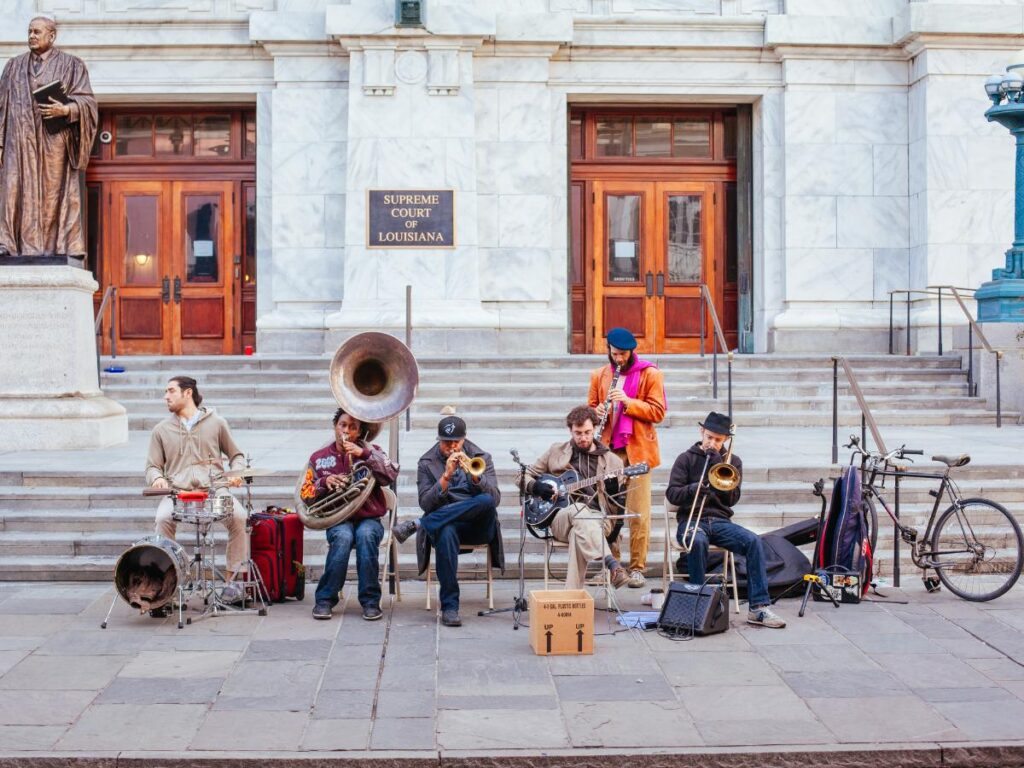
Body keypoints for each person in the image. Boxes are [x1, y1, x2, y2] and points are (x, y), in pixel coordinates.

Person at [665, 411, 786, 629]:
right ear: (702, 431)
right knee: (698, 541)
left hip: (720, 522)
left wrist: (718, 464)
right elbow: (672, 494)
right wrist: (694, 488)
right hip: (692, 520)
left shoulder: (732, 462)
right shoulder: (686, 458)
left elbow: (731, 500)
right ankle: (697, 602)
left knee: (753, 541)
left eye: (718, 440)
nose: (712, 442)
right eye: (709, 437)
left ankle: (758, 607)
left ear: (726, 440)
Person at [0, 16, 98, 262]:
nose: (32, 36)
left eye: (37, 32)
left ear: (51, 36)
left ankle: (58, 247)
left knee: (55, 193)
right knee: (12, 189)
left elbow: (88, 103)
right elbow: (1, 106)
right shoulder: (13, 66)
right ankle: (8, 244)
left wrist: (67, 110)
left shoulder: (72, 65)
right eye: (29, 31)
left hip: (53, 143)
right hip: (18, 141)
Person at [392, 412, 503, 627]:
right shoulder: (427, 462)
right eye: (446, 442)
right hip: (447, 524)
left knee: (486, 500)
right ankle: (450, 607)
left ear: (464, 439)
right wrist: (445, 477)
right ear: (438, 440)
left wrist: (476, 478)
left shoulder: (482, 457)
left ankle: (421, 523)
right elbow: (425, 503)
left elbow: (495, 498)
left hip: (479, 524)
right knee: (445, 532)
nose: (452, 447)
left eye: (456, 442)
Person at [145, 376, 248, 606]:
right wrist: (158, 478)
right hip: (178, 492)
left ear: (188, 393)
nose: (166, 396)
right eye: (165, 392)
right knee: (162, 519)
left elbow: (237, 456)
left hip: (215, 489)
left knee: (239, 517)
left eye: (171, 391)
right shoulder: (161, 430)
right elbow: (152, 465)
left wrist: (237, 473)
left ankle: (231, 584)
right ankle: (170, 585)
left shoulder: (217, 422)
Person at [302, 408, 398, 622]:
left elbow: (390, 474)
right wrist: (323, 483)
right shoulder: (319, 458)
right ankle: (325, 599)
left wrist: (363, 454)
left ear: (359, 432)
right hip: (338, 518)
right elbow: (306, 494)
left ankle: (371, 601)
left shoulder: (373, 451)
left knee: (365, 536)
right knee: (343, 538)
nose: (346, 431)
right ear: (335, 427)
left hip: (369, 518)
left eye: (352, 427)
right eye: (342, 425)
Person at [588, 327, 666, 588]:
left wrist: (629, 401)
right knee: (608, 510)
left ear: (632, 351)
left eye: (623, 354)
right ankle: (612, 566)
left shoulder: (650, 374)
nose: (619, 359)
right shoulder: (599, 375)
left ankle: (637, 568)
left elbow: (658, 412)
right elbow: (588, 408)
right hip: (608, 451)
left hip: (638, 450)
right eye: (614, 354)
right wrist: (596, 411)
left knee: (638, 510)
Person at [526, 405, 630, 590]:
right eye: (578, 433)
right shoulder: (556, 451)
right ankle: (612, 564)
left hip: (598, 520)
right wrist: (536, 486)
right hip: (560, 519)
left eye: (588, 432)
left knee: (579, 528)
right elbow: (522, 475)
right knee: (576, 509)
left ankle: (572, 598)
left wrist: (613, 489)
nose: (583, 437)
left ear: (596, 428)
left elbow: (617, 509)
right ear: (570, 430)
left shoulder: (613, 461)